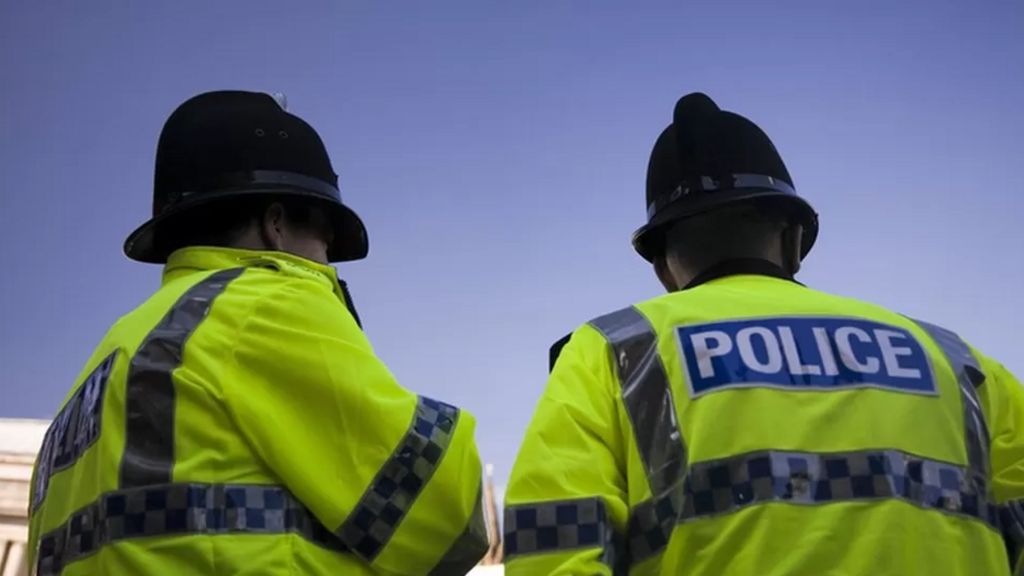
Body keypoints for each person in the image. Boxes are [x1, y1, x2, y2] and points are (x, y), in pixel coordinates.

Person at [503, 92, 1024, 575]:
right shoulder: (957, 362)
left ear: (662, 269)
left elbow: (552, 547)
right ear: (795, 240)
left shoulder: (613, 351)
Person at [27, 91, 488, 576]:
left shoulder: (104, 369)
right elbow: (447, 519)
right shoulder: (263, 305)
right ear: (276, 226)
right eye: (326, 240)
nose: (327, 261)